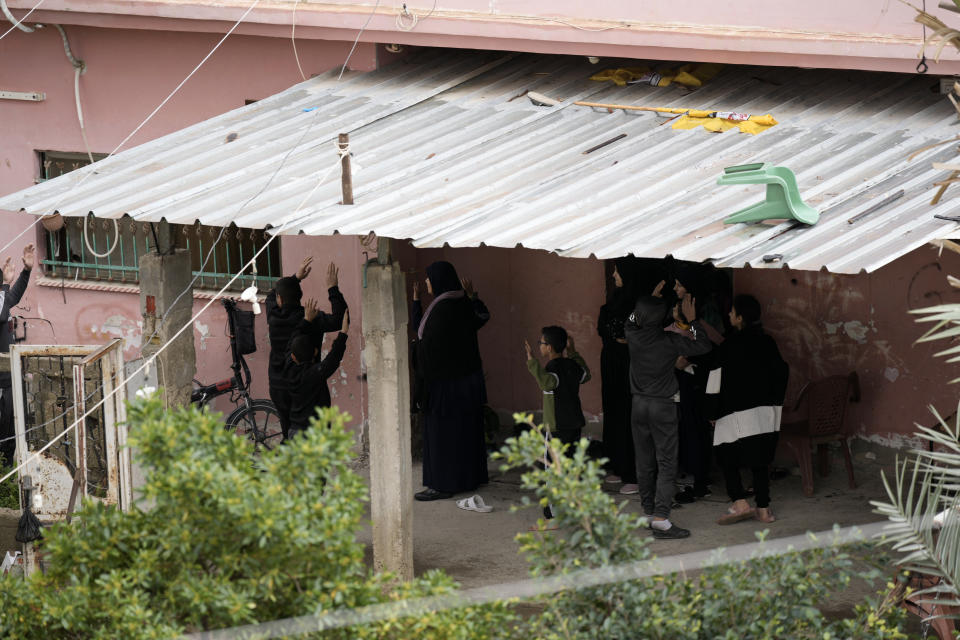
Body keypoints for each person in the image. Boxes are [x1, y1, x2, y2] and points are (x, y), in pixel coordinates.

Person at [625, 283, 712, 539]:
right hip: (662, 405)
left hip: (638, 404)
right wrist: (694, 320)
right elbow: (703, 346)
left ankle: (649, 512)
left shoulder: (633, 334)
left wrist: (644, 305)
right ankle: (662, 520)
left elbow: (632, 318)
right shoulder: (671, 341)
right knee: (666, 462)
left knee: (644, 461)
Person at [411, 261, 490, 501]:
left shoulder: (442, 309)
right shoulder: (461, 303)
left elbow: (426, 345)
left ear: (438, 281)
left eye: (428, 279)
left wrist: (414, 352)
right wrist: (473, 296)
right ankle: (469, 478)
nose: (426, 283)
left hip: (445, 387)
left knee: (441, 435)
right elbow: (482, 317)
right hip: (467, 384)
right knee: (465, 433)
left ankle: (442, 485)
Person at [711, 294, 789, 525]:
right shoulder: (768, 342)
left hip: (734, 412)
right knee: (760, 459)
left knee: (727, 456)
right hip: (764, 411)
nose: (728, 315)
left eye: (732, 312)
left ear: (740, 317)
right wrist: (775, 403)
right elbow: (782, 372)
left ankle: (740, 502)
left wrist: (711, 411)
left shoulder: (729, 346)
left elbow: (715, 380)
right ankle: (763, 509)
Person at [265, 258, 346, 441]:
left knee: (289, 433)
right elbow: (340, 319)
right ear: (300, 297)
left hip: (279, 385)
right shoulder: (311, 317)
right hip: (308, 385)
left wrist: (296, 277)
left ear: (280, 299)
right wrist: (333, 288)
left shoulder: (273, 315)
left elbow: (271, 296)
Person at [597, 259, 641, 495]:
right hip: (612, 366)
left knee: (629, 417)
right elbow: (608, 331)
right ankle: (616, 463)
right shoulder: (614, 303)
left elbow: (627, 331)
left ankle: (632, 472)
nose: (613, 275)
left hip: (629, 368)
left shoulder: (639, 306)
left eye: (617, 271)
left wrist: (620, 336)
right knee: (614, 414)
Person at [284, 304, 350, 438]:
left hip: (295, 431)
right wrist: (343, 333)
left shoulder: (288, 368)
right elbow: (333, 358)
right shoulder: (314, 374)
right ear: (315, 352)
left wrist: (306, 320)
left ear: (292, 356)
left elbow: (292, 340)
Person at [524, 326, 591, 446]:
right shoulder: (572, 364)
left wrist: (532, 361)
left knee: (554, 462)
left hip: (557, 426)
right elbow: (585, 375)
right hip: (575, 423)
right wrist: (572, 352)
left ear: (549, 348)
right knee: (571, 460)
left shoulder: (553, 367)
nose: (540, 345)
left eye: (541, 343)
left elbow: (546, 383)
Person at [0, 243, 34, 467]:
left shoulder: (2, 298)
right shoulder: (1, 300)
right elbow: (2, 316)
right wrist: (4, 285)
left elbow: (14, 296)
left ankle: (6, 469)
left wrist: (27, 270)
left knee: (10, 425)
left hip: (9, 375)